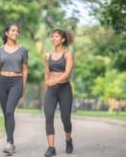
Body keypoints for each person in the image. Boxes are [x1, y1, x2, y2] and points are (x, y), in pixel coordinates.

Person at [0, 23, 28, 155]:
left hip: (17, 81)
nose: (16, 33)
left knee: (9, 110)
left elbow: (25, 70)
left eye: (17, 31)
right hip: (2, 82)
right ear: (7, 33)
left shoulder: (23, 50)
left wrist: (23, 88)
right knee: (6, 114)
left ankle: (9, 142)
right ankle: (11, 142)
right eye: (13, 30)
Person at [43, 29, 74, 157]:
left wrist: (54, 81)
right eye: (52, 37)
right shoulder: (47, 55)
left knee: (65, 119)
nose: (53, 39)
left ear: (62, 39)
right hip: (51, 90)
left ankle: (68, 139)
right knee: (49, 116)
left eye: (56, 37)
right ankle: (51, 147)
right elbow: (47, 71)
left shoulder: (68, 55)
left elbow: (67, 74)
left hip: (64, 89)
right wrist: (47, 81)